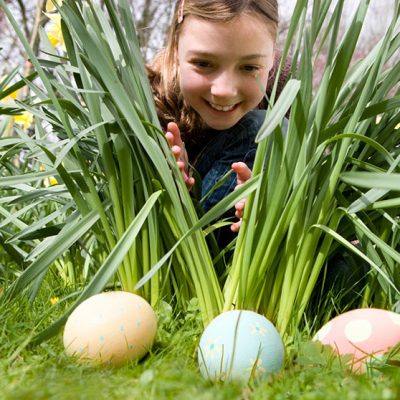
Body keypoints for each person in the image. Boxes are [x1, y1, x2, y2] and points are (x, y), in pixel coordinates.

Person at [147, 0, 286, 235]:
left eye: (249, 68)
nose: (224, 90)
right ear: (175, 48)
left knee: (270, 128)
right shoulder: (150, 102)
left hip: (246, 245)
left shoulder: (285, 90)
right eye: (203, 63)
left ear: (272, 56)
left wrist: (276, 207)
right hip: (177, 243)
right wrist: (169, 188)